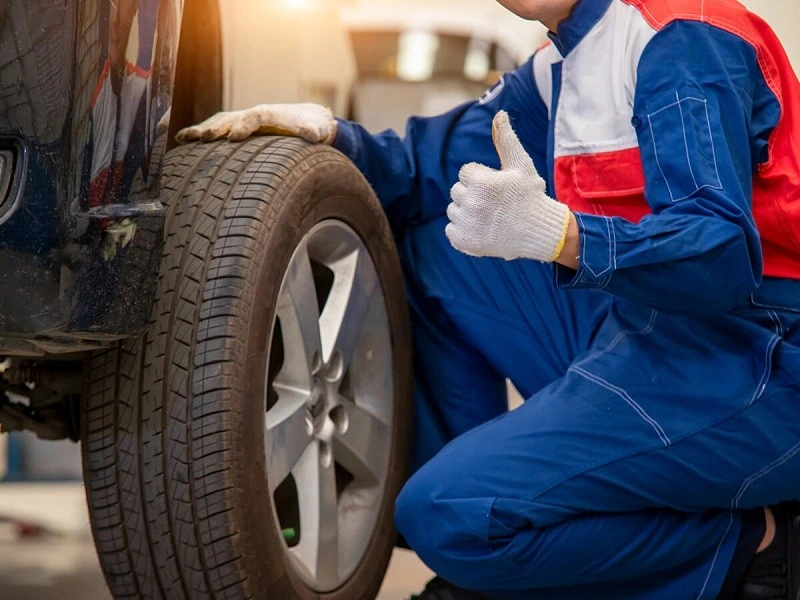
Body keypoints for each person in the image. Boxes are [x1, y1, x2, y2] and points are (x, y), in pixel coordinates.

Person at [177, 0, 800, 597]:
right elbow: (431, 168)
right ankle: (503, 542)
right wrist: (332, 136)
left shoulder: (680, 38)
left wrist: (566, 237)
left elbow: (720, 254)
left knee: (444, 515)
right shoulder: (563, 60)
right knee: (438, 239)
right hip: (652, 322)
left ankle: (753, 548)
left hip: (761, 355)